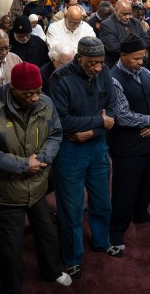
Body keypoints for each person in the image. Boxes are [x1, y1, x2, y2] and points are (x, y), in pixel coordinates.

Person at [0, 62, 71, 292]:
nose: (34, 98)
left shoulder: (45, 102)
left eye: (38, 91)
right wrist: (22, 165)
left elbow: (56, 133)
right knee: (11, 245)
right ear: (13, 89)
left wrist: (44, 158)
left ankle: (52, 270)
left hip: (37, 184)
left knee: (47, 232)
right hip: (6, 191)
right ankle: (12, 287)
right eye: (28, 93)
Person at [48, 37, 123, 280]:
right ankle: (72, 257)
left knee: (102, 201)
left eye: (100, 62)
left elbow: (112, 109)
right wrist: (100, 120)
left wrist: (96, 128)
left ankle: (102, 242)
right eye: (91, 63)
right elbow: (61, 120)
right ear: (79, 58)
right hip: (70, 150)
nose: (97, 68)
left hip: (97, 145)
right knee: (71, 209)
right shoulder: (59, 78)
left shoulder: (105, 71)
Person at [109, 35, 150, 247]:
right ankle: (116, 230)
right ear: (122, 56)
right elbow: (122, 116)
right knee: (124, 190)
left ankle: (141, 213)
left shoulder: (145, 72)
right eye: (136, 58)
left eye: (143, 57)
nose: (141, 62)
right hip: (127, 145)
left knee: (145, 184)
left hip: (149, 139)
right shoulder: (114, 78)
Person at [99, 0, 149, 68]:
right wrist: (137, 45)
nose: (128, 17)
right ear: (116, 10)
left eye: (129, 13)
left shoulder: (135, 22)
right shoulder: (107, 25)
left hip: (138, 66)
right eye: (124, 14)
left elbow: (147, 40)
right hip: (116, 66)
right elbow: (112, 47)